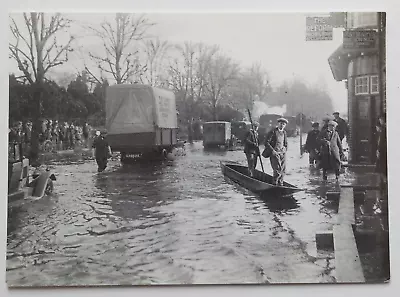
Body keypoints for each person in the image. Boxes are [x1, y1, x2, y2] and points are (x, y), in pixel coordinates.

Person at [264, 118, 288, 186]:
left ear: (285, 125)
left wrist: (285, 149)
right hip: (275, 153)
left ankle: (281, 184)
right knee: (277, 170)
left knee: (283, 170)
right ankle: (274, 184)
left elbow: (286, 144)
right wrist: (272, 151)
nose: (282, 125)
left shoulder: (284, 133)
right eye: (281, 123)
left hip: (282, 154)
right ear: (278, 124)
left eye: (283, 124)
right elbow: (266, 142)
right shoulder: (273, 131)